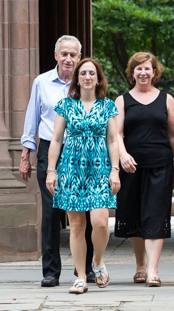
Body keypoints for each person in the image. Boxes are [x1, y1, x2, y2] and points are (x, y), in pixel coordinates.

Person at [19, 34, 94, 287]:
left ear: (80, 57)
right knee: (51, 212)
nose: (69, 59)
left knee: (84, 208)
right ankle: (51, 271)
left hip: (83, 150)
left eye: (74, 55)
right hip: (50, 149)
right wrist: (25, 155)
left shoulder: (86, 81)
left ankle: (85, 269)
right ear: (56, 56)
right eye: (65, 54)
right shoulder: (41, 83)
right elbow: (33, 118)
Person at [46, 58, 120, 294]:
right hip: (71, 170)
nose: (87, 77)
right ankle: (80, 276)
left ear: (98, 79)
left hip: (99, 170)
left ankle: (97, 260)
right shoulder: (65, 106)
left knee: (100, 223)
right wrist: (51, 170)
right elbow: (56, 140)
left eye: (92, 73)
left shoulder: (107, 106)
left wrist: (115, 169)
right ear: (77, 79)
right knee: (77, 225)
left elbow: (112, 140)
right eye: (83, 73)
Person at [114, 51, 174, 287]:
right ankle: (140, 264)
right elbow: (117, 134)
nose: (143, 72)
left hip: (160, 165)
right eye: (138, 68)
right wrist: (123, 155)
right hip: (131, 167)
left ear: (154, 72)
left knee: (155, 215)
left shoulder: (166, 99)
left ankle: (152, 270)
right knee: (135, 215)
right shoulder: (121, 101)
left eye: (147, 68)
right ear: (132, 73)